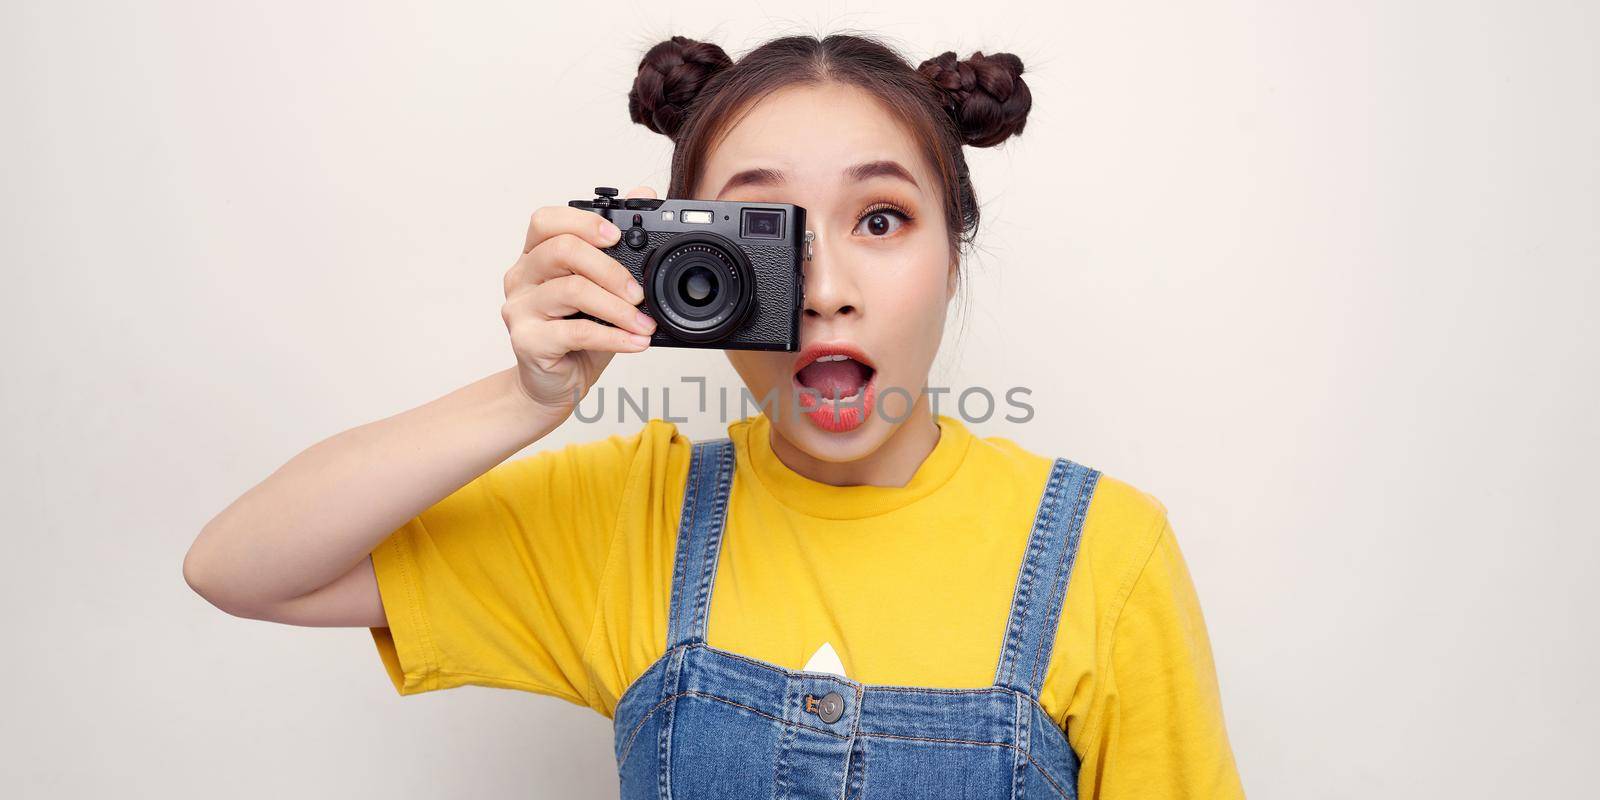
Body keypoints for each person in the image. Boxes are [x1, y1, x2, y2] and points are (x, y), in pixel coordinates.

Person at [185, 32, 1245, 799]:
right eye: (769, 234)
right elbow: (240, 565)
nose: (827, 286)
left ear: (953, 255)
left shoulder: (1105, 548)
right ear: (683, 265)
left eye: (881, 218)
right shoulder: (634, 514)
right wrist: (526, 397)